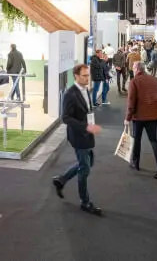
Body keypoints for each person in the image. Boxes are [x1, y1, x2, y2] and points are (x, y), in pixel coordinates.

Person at [51, 64, 103, 216]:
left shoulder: (85, 89)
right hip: (79, 135)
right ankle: (85, 202)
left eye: (88, 75)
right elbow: (65, 118)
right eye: (84, 76)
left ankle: (61, 179)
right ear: (76, 76)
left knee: (87, 163)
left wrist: (90, 126)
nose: (87, 78)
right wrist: (85, 127)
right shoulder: (70, 94)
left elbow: (87, 110)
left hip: (87, 132)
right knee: (85, 168)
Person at [126, 61, 157, 179]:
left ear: (137, 69)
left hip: (138, 117)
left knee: (137, 139)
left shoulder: (134, 81)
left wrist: (127, 118)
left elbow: (131, 102)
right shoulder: (155, 80)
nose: (132, 69)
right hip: (152, 116)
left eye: (133, 67)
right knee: (154, 140)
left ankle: (135, 163)